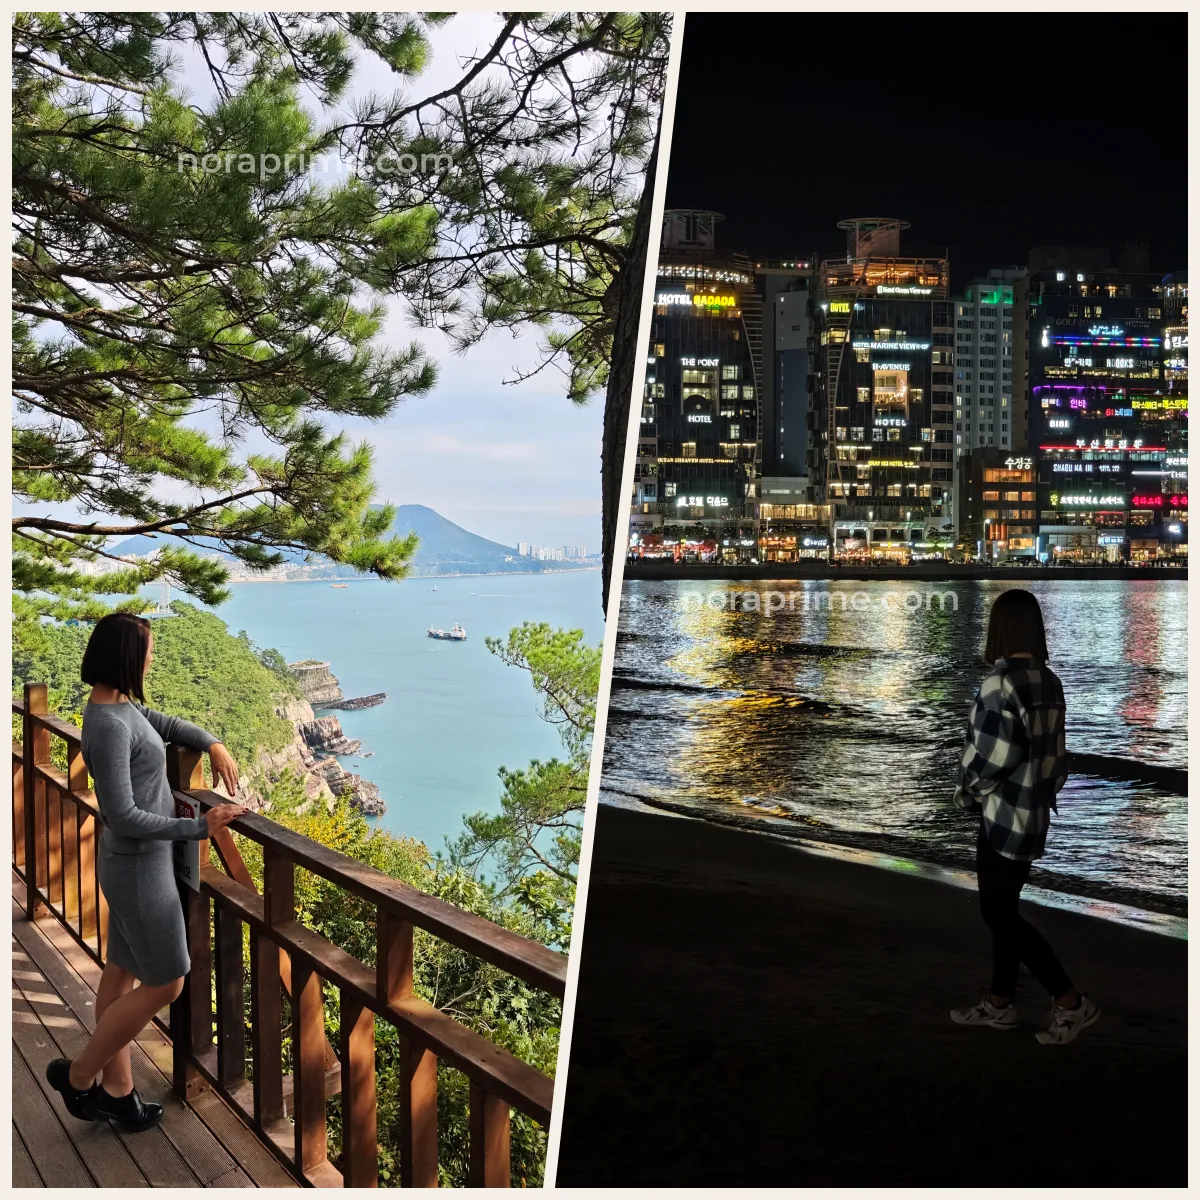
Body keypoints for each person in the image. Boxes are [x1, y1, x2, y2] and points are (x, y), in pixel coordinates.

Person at [45, 612, 247, 1131]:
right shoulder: (109, 726)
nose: (153, 657)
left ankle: (119, 1093)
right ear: (128, 658)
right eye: (149, 650)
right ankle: (82, 1076)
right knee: (169, 982)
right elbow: (126, 816)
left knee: (117, 979)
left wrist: (210, 741)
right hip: (138, 870)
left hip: (136, 867)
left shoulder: (118, 706)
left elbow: (162, 724)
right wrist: (200, 828)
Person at [949, 589, 1100, 1045]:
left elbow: (990, 758)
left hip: (1002, 811)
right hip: (1035, 810)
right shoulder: (1047, 680)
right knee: (1005, 910)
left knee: (998, 914)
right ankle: (1000, 1003)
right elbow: (1056, 757)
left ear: (999, 629)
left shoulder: (999, 684)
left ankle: (1071, 1002)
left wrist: (966, 791)